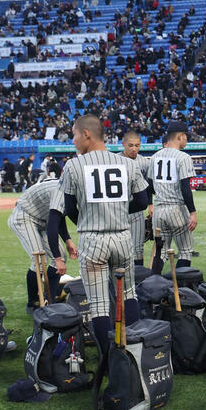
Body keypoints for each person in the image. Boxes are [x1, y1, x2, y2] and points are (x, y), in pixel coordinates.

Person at [47, 114, 149, 369]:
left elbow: (64, 209)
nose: (72, 140)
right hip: (123, 236)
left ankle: (110, 359)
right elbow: (143, 201)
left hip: (93, 238)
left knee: (99, 303)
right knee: (128, 294)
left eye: (73, 134)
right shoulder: (126, 163)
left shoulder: (73, 166)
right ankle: (136, 351)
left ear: (86, 134)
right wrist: (118, 212)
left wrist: (88, 216)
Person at [8, 177, 78, 312]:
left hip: (44, 218)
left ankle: (50, 301)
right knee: (40, 259)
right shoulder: (62, 190)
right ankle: (33, 302)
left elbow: (59, 217)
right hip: (25, 215)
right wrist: (56, 259)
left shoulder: (72, 188)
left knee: (62, 256)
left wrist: (68, 241)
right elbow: (53, 224)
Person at [146, 121, 198, 272]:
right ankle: (181, 290)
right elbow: (185, 188)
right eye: (186, 137)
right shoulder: (183, 157)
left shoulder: (154, 157)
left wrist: (150, 205)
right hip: (177, 208)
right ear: (180, 136)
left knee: (160, 253)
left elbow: (148, 186)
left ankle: (154, 287)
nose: (187, 140)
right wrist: (193, 212)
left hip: (159, 209)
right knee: (185, 251)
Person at [121, 130, 150, 267]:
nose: (134, 149)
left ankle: (138, 282)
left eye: (137, 145)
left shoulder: (144, 162)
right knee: (119, 248)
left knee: (138, 248)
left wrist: (150, 205)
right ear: (123, 144)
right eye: (130, 145)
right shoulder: (115, 160)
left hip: (137, 210)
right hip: (118, 210)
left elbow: (148, 186)